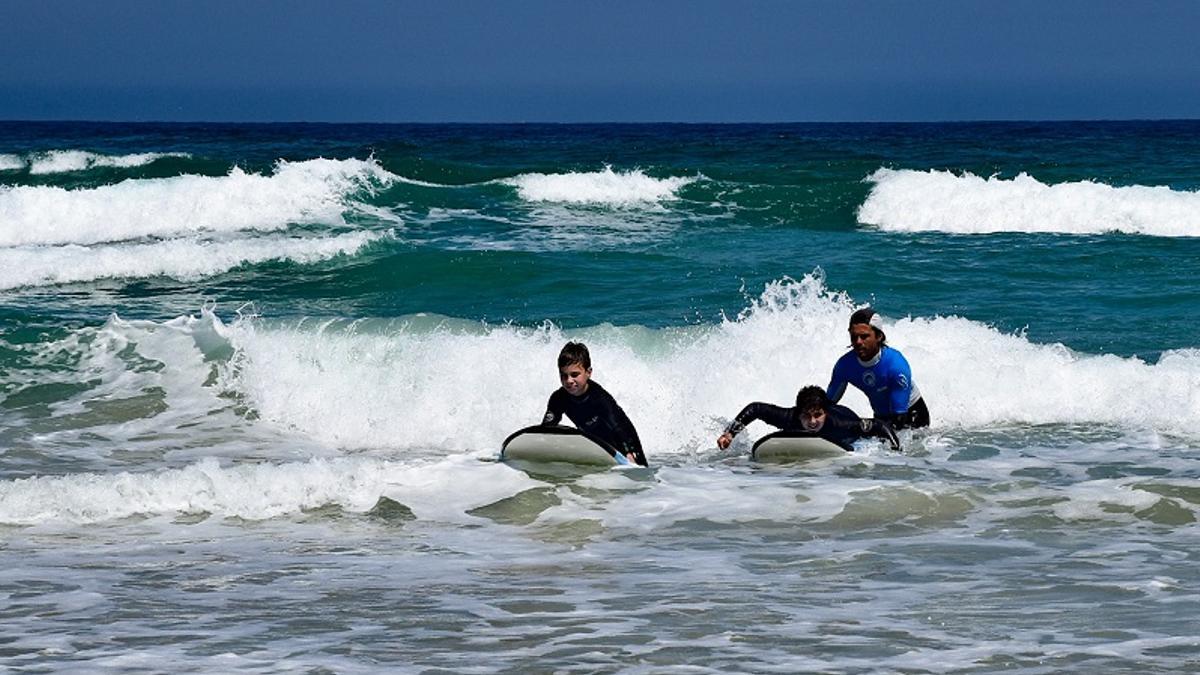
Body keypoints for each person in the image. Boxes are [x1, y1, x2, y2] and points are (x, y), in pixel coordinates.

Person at [542, 341, 647, 466]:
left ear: (588, 372)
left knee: (639, 475)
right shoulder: (558, 398)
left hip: (624, 439)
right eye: (564, 375)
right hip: (595, 446)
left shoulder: (599, 397)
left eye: (575, 374)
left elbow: (618, 427)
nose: (569, 380)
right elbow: (547, 428)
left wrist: (630, 452)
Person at [826, 307, 930, 429]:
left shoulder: (896, 366)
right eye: (854, 337)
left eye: (864, 336)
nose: (858, 342)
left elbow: (899, 418)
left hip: (912, 416)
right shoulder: (844, 366)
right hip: (881, 417)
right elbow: (828, 404)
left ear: (879, 336)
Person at [716, 385, 899, 452]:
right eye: (806, 415)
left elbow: (878, 426)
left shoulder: (842, 423)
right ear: (798, 412)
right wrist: (730, 434)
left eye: (817, 415)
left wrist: (895, 450)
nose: (812, 422)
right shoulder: (790, 417)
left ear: (825, 413)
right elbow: (755, 408)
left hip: (846, 437)